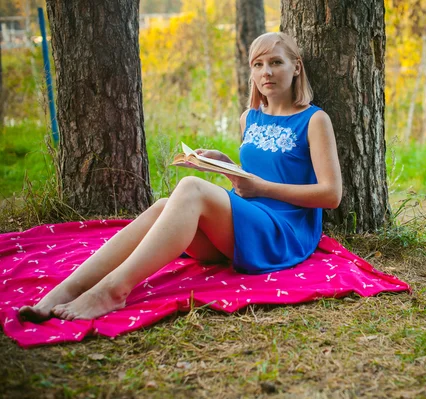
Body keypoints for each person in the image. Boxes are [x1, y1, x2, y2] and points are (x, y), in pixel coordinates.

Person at [19, 32, 343, 322]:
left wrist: (258, 186)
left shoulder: (314, 120)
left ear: (296, 67)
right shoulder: (250, 118)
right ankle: (67, 289)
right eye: (257, 64)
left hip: (283, 232)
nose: (266, 72)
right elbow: (254, 180)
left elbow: (331, 195)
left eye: (276, 62)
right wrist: (225, 165)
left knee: (190, 189)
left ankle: (113, 290)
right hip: (248, 222)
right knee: (164, 205)